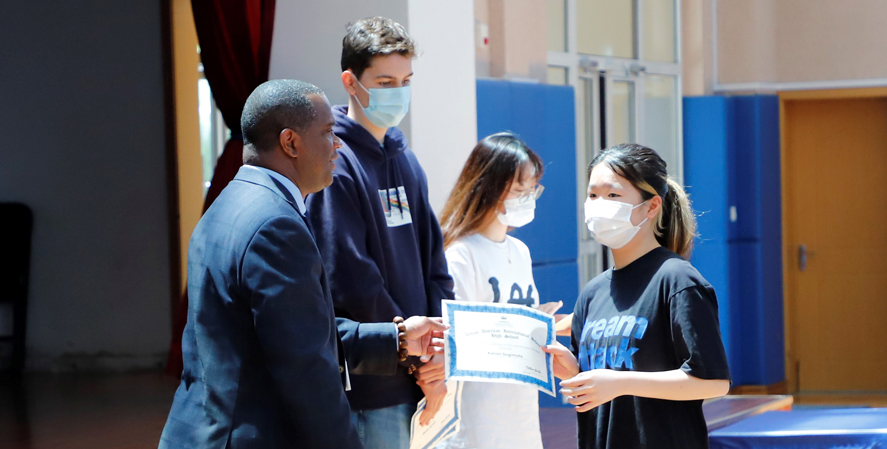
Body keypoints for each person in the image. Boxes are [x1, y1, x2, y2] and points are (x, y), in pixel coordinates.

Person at [159, 79, 447, 449]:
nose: (338, 143)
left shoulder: (229, 203)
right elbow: (306, 369)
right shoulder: (276, 225)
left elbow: (296, 332)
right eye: (328, 132)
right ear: (290, 142)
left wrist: (397, 340)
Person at [305, 17, 454, 448]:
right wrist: (410, 347)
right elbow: (352, 278)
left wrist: (440, 347)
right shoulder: (335, 163)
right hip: (375, 387)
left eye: (405, 81)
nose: (398, 93)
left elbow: (435, 264)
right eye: (385, 81)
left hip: (424, 374)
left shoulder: (405, 159)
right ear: (351, 82)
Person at [543, 143, 732, 449]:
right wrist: (575, 372)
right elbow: (604, 389)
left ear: (652, 206)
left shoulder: (677, 280)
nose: (598, 204)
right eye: (593, 195)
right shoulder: (592, 293)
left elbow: (713, 380)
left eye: (613, 195)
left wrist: (619, 384)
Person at [434, 132, 562, 449]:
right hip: (474, 421)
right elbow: (455, 340)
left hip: (521, 416)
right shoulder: (460, 254)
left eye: (532, 190)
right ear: (488, 185)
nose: (527, 198)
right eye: (519, 190)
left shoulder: (519, 251)